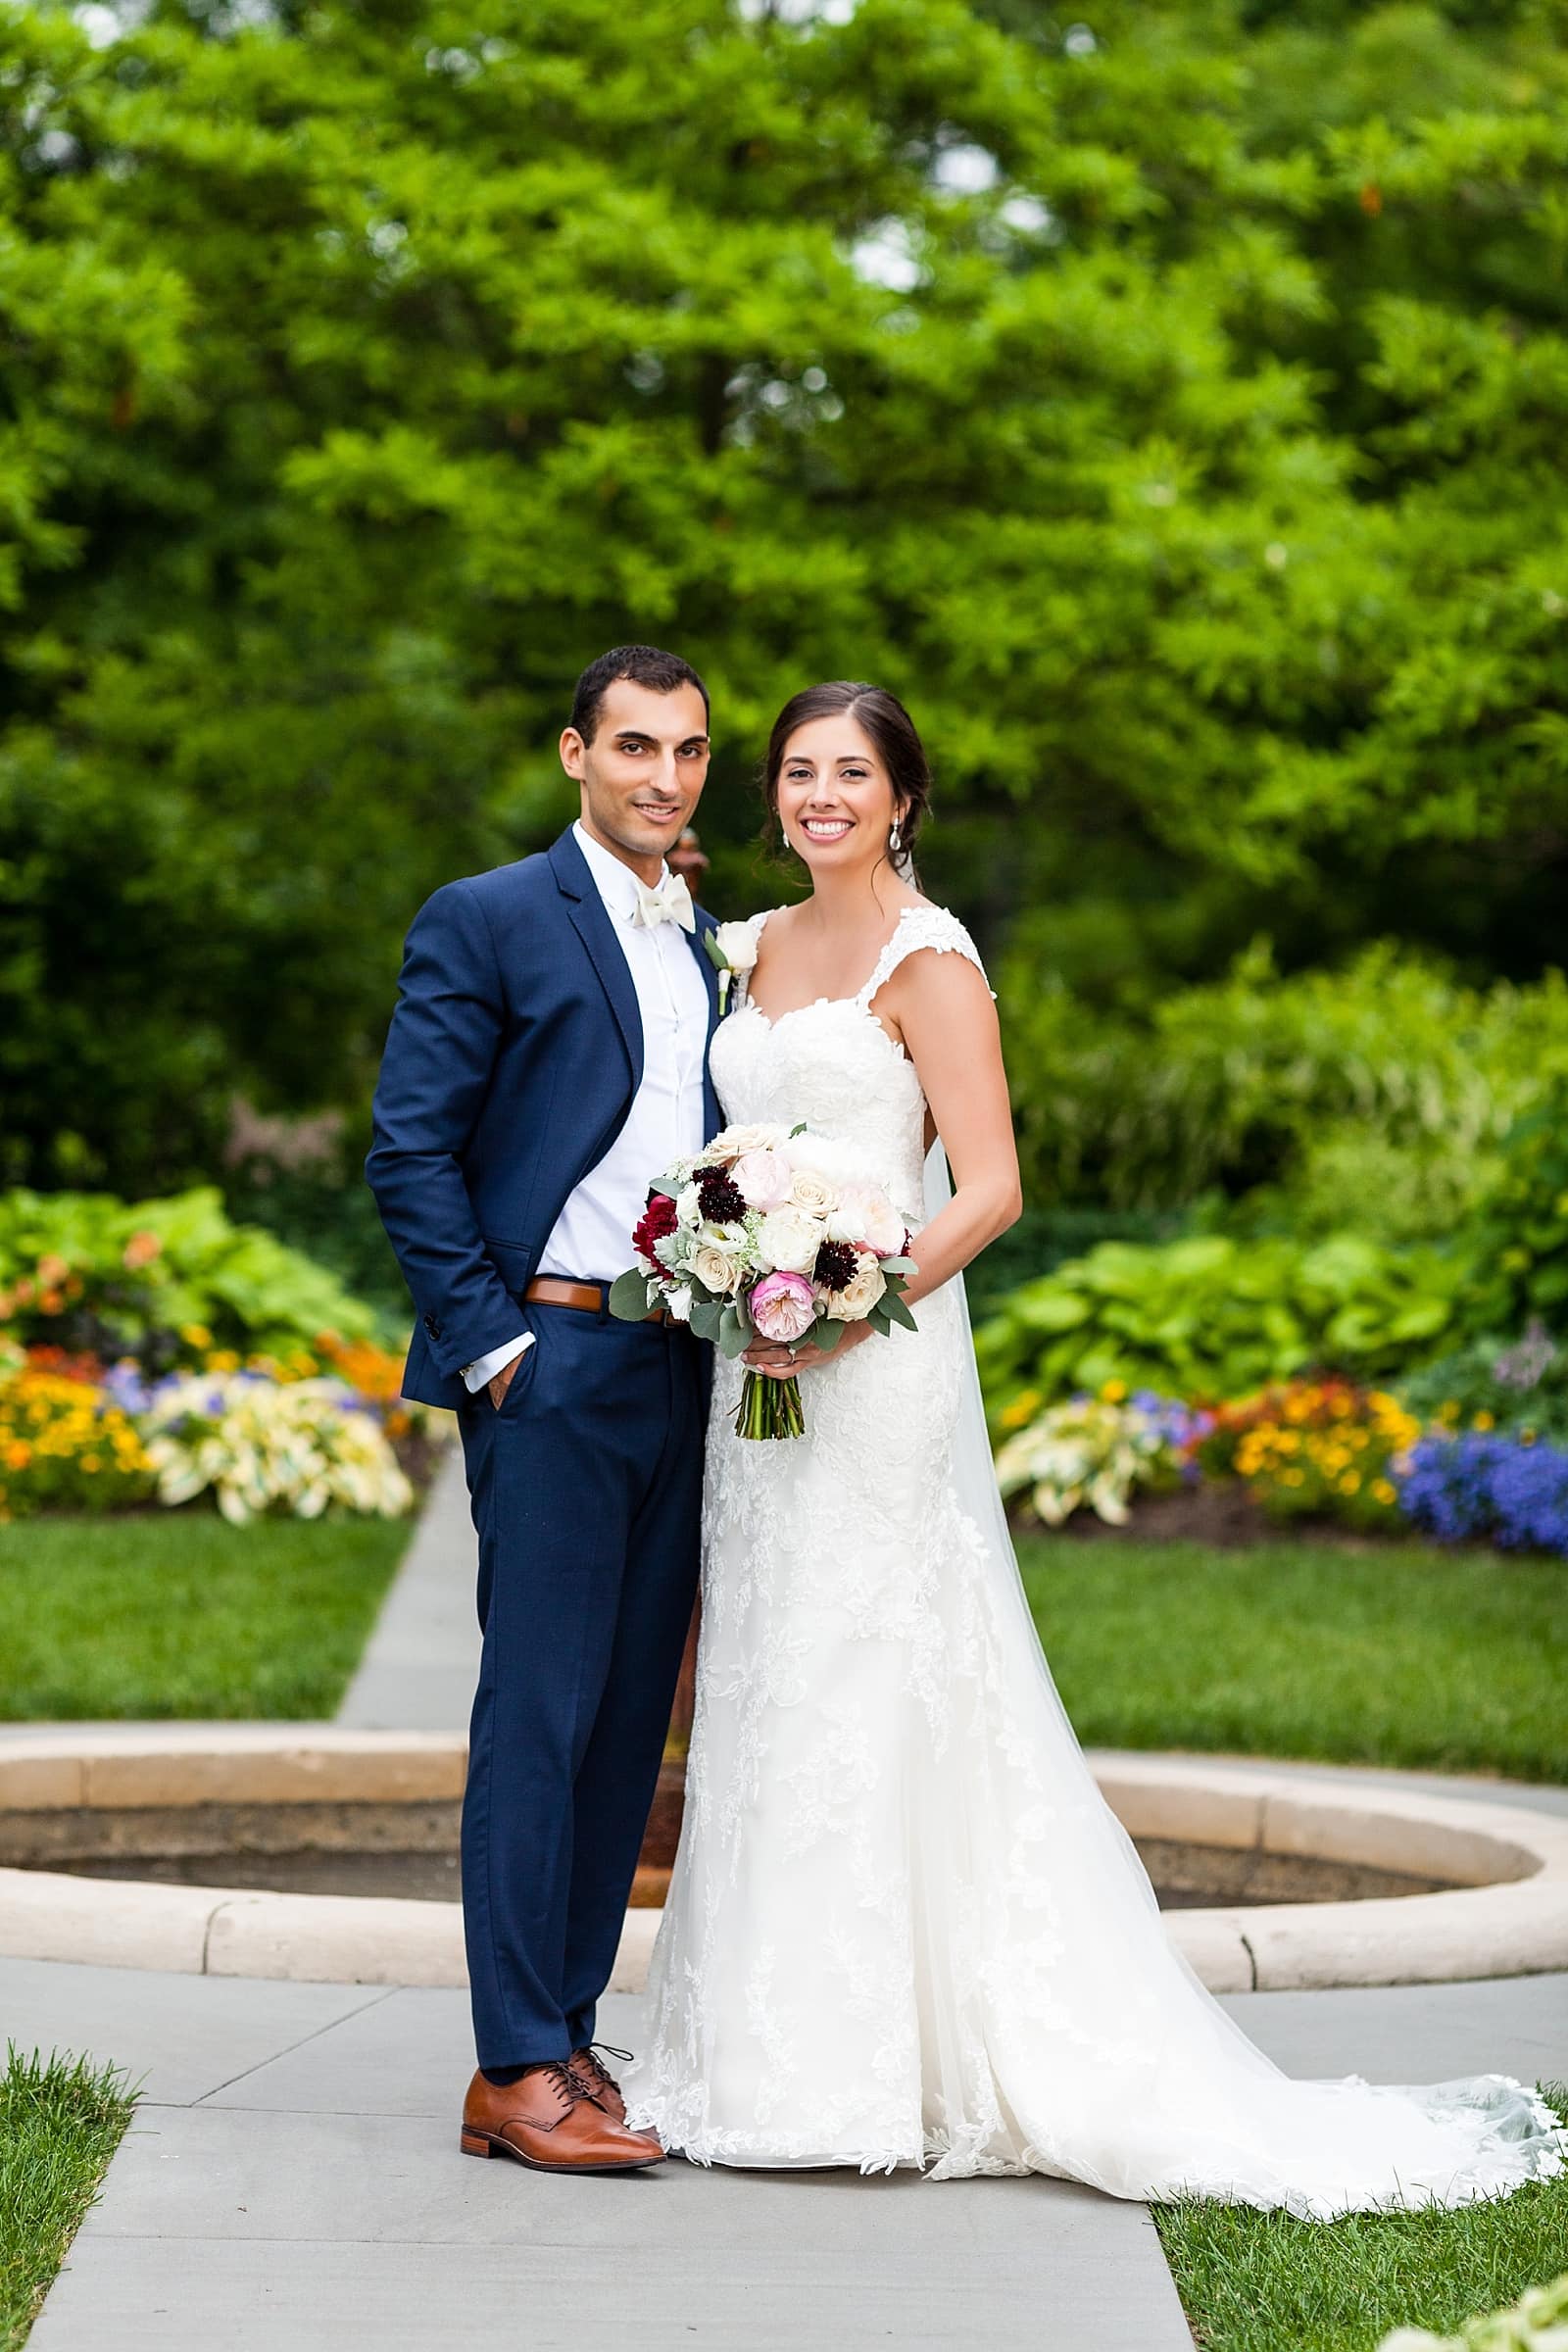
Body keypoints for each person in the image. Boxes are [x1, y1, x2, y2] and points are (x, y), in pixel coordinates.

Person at [621, 680, 1566, 2215]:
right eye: (798, 772)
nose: (820, 797)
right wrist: (737, 1274)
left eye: (851, 773)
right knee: (770, 1672)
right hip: (757, 1377)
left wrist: (849, 1301)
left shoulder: (934, 962)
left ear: (903, 796)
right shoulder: (754, 949)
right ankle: (756, 2059)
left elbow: (986, 1186)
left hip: (874, 1366)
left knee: (874, 1665)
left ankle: (883, 2069)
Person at [367, 645, 721, 2174]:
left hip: (683, 1365)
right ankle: (509, 2065)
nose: (663, 774)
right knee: (539, 1712)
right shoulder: (492, 915)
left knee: (628, 1722)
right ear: (575, 752)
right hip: (552, 1366)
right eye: (635, 746)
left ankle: (566, 2042)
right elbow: (409, 1153)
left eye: (690, 750)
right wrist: (495, 1350)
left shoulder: (709, 934)